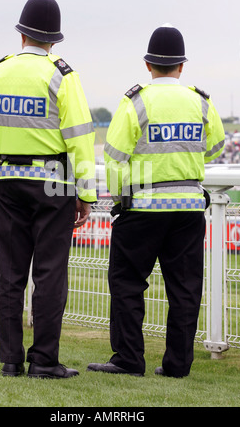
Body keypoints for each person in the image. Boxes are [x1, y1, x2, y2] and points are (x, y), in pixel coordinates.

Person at [87, 24, 225, 378]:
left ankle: (130, 359)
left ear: (148, 64)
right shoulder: (200, 100)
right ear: (181, 66)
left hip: (143, 209)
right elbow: (215, 147)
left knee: (127, 283)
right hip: (190, 208)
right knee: (185, 288)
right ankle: (178, 365)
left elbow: (114, 156)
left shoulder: (135, 101)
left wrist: (121, 200)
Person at [0, 0, 97, 378]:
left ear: (22, 34)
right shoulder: (63, 75)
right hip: (54, 186)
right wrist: (86, 194)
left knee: (10, 275)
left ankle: (10, 360)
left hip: (8, 179)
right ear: (54, 40)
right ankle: (44, 361)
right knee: (49, 275)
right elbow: (80, 138)